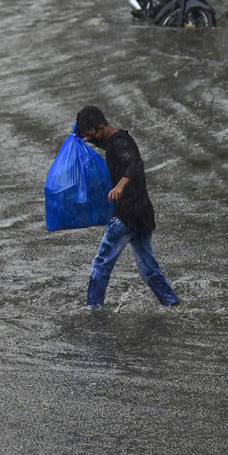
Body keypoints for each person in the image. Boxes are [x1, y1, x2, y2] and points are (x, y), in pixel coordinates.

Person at [75, 105, 179, 309]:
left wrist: (120, 186)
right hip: (142, 214)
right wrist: (78, 135)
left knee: (101, 264)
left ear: (100, 128)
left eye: (91, 136)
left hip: (125, 215)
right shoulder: (118, 140)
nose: (91, 141)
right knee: (148, 268)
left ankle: (92, 311)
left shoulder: (119, 144)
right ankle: (171, 303)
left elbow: (135, 163)